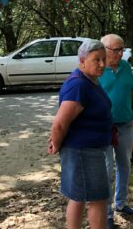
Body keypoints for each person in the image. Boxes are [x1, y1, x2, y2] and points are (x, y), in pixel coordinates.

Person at [47, 39, 112, 229]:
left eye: (103, 59)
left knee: (78, 197)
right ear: (82, 61)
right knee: (98, 199)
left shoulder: (90, 80)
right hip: (83, 151)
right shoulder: (79, 85)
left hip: (86, 149)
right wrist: (56, 143)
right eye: (96, 60)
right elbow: (60, 123)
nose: (102, 64)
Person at [99, 34, 133, 226]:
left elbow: (132, 92)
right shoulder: (97, 69)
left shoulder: (125, 67)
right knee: (107, 171)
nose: (119, 53)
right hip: (104, 128)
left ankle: (121, 203)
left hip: (125, 124)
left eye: (121, 49)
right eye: (116, 50)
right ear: (105, 50)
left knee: (124, 165)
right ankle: (106, 215)